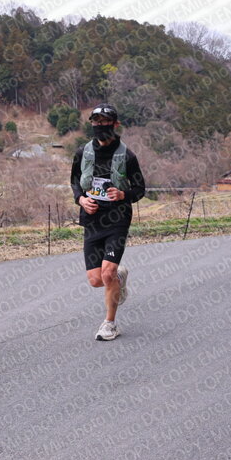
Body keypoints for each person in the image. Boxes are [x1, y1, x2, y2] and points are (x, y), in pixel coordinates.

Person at [71, 103, 145, 341]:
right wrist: (81, 199)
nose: (100, 126)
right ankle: (119, 278)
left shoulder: (127, 156)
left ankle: (109, 324)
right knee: (96, 280)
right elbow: (74, 181)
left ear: (115, 124)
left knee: (107, 273)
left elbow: (140, 189)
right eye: (96, 121)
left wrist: (123, 194)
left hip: (117, 219)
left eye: (105, 122)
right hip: (92, 220)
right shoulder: (83, 153)